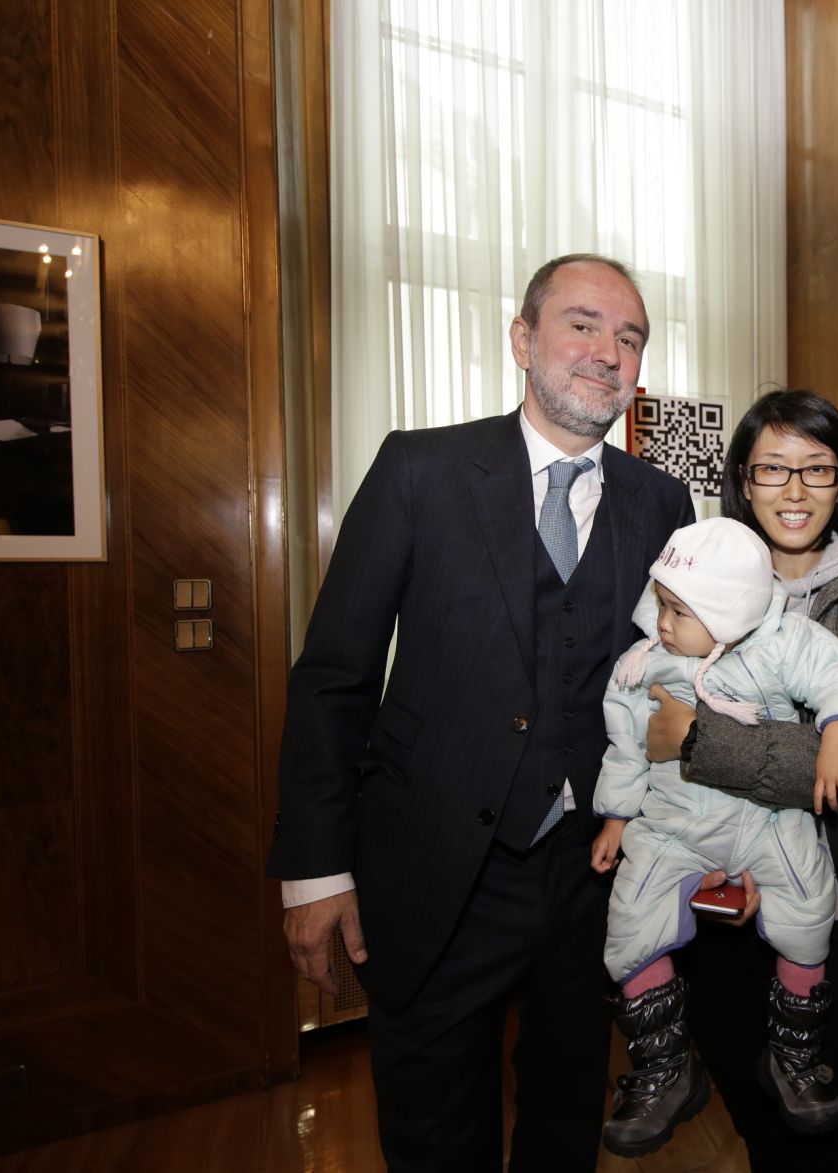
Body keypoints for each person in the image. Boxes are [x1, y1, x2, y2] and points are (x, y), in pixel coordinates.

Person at [266, 254, 695, 1171]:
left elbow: (671, 677)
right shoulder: (419, 469)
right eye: (583, 324)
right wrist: (314, 872)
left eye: (630, 338)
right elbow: (334, 675)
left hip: (593, 877)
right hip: (434, 870)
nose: (607, 352)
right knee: (432, 1135)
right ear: (522, 340)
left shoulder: (662, 502)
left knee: (565, 1117)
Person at [643, 389, 838, 1172]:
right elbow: (645, 718)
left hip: (833, 912)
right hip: (713, 897)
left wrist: (699, 736)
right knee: (755, 1119)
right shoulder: (692, 572)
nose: (794, 490)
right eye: (772, 469)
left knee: (819, 1139)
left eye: (816, 469)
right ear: (742, 478)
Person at [591, 516, 838, 1155]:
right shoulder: (645, 664)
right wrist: (615, 816)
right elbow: (627, 745)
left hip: (768, 820)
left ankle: (793, 1055)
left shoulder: (779, 641)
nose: (661, 625)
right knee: (630, 922)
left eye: (679, 612)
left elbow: (837, 673)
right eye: (660, 605)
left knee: (809, 910)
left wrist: (834, 738)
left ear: (731, 613)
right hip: (673, 826)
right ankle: (664, 1067)